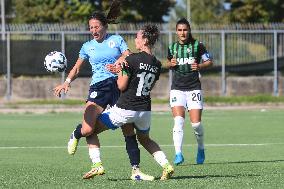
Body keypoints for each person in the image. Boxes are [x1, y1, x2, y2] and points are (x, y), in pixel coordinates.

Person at [53, 2, 151, 179]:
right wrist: (66, 81)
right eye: (91, 27)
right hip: (98, 88)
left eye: (96, 26)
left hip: (119, 86)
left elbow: (127, 55)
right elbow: (76, 68)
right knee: (88, 129)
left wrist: (119, 62)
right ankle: (91, 155)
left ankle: (136, 171)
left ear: (104, 26)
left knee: (128, 130)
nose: (93, 30)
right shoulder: (87, 46)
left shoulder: (116, 40)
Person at [83, 24, 174, 180]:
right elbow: (148, 86)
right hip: (145, 110)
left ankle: (96, 164)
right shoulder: (157, 64)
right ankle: (166, 165)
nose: (135, 40)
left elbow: (121, 85)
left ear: (145, 40)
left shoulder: (131, 59)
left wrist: (119, 72)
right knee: (145, 139)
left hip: (126, 109)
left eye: (138, 37)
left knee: (90, 130)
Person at [166, 18, 213, 165]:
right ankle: (178, 153)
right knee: (178, 121)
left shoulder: (198, 45)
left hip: (193, 88)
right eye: (179, 30)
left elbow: (209, 61)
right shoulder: (172, 47)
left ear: (189, 30)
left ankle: (201, 148)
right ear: (176, 31)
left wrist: (199, 66)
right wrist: (170, 63)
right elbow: (168, 63)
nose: (182, 33)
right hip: (177, 89)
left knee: (196, 124)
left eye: (185, 29)